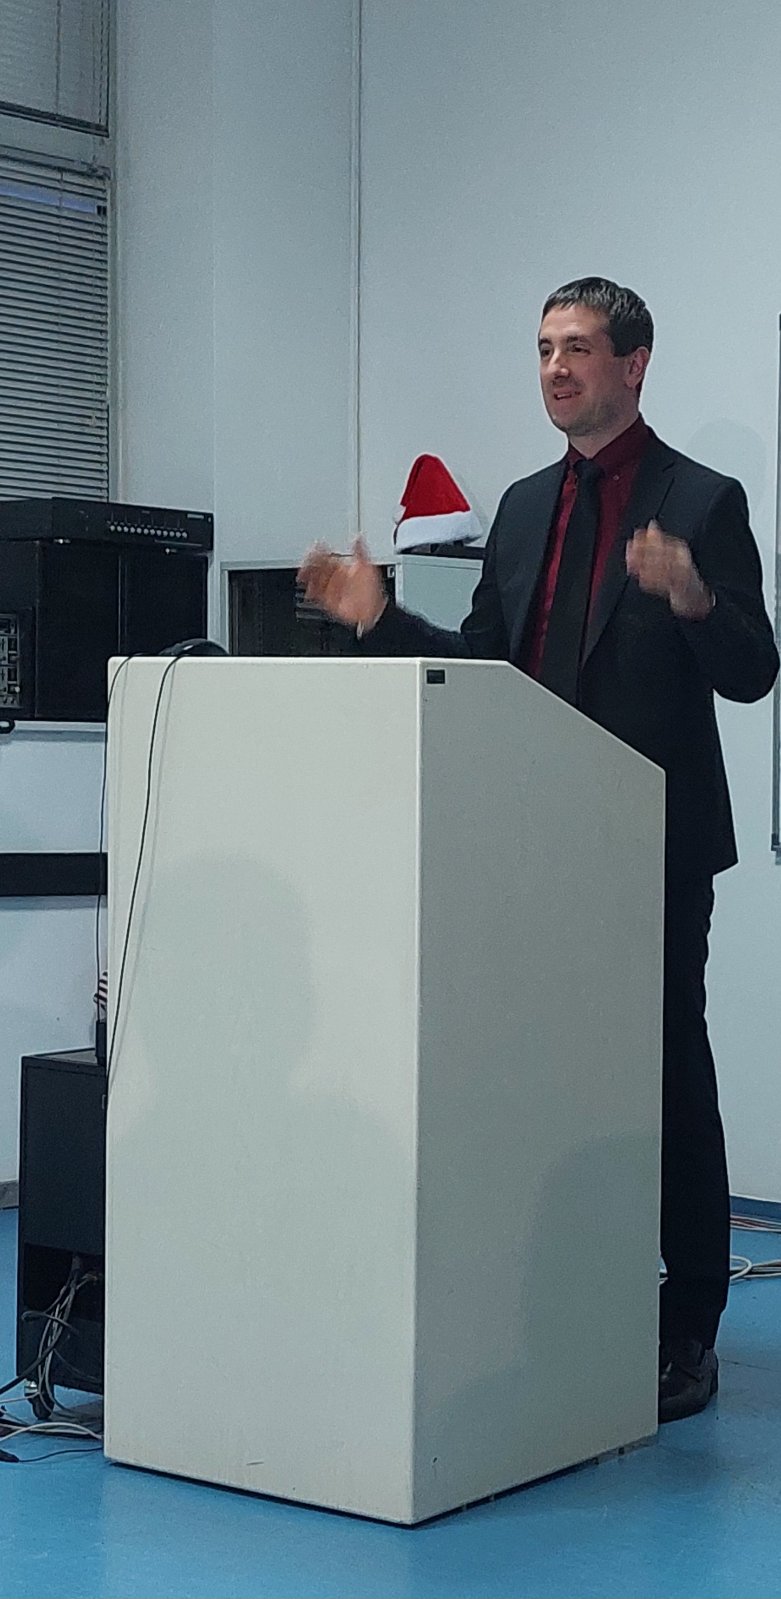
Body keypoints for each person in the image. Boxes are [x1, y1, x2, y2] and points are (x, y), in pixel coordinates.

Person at [298, 277, 779, 1423]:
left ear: (634, 364)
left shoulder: (701, 500)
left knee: (667, 1075)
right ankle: (564, 1295)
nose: (556, 369)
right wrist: (379, 620)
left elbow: (753, 671)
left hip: (650, 843)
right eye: (544, 349)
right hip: (528, 841)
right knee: (536, 1072)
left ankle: (687, 1324)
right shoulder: (520, 510)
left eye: (578, 349)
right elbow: (488, 670)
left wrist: (694, 598)